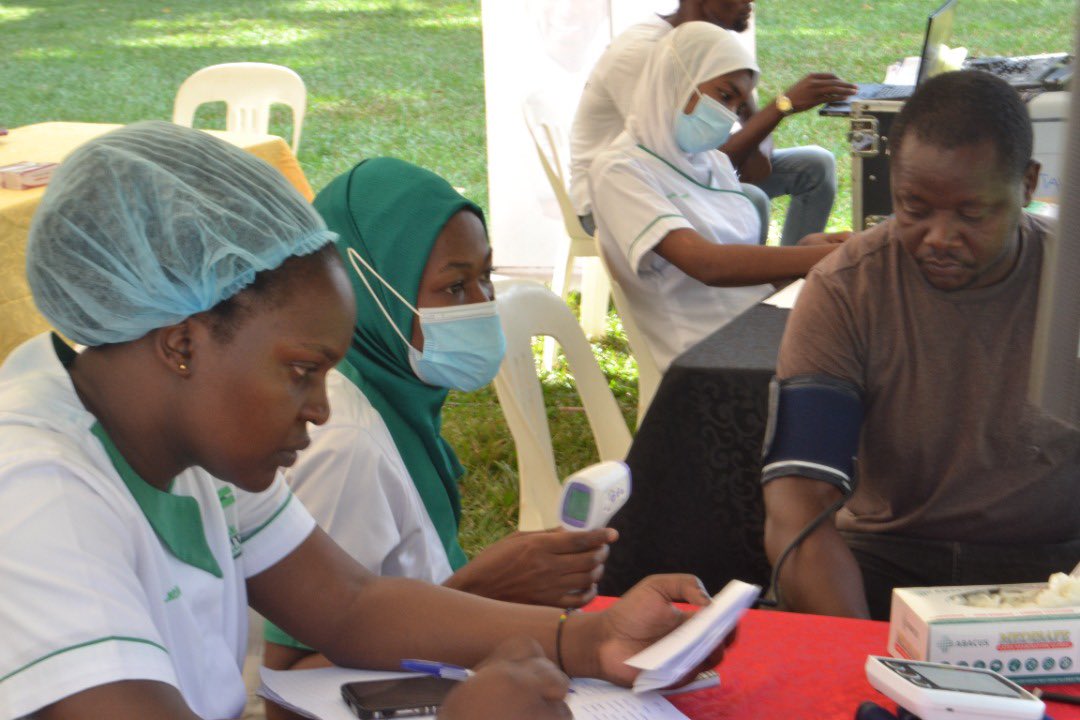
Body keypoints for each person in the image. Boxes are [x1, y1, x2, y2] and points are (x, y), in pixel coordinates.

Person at [0, 121, 726, 720]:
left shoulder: (187, 434)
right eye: (300, 371)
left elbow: (349, 604)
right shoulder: (37, 493)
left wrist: (591, 640)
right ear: (181, 342)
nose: (320, 406)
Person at [262, 157, 614, 679]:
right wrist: (484, 587)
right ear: (372, 293)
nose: (483, 303)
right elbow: (291, 674)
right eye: (454, 287)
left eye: (485, 277)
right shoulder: (341, 444)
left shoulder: (391, 397)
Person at [760, 71, 1080, 621]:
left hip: (1056, 569)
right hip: (888, 561)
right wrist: (853, 664)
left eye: (971, 213)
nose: (938, 237)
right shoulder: (846, 289)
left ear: (1028, 185)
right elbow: (799, 509)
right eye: (914, 207)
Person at [589, 21, 842, 372]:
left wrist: (807, 251)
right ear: (677, 78)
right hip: (707, 359)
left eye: (737, 107)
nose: (728, 114)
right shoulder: (620, 170)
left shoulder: (710, 161)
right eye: (725, 96)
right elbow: (709, 265)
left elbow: (739, 273)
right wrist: (835, 256)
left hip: (751, 326)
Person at [569, 0, 856, 246]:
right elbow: (680, 164)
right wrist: (782, 107)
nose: (750, 2)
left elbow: (754, 166)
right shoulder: (643, 52)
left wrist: (756, 109)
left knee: (815, 165)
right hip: (617, 195)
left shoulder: (714, 52)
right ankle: (754, 300)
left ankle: (792, 286)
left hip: (682, 174)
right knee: (749, 199)